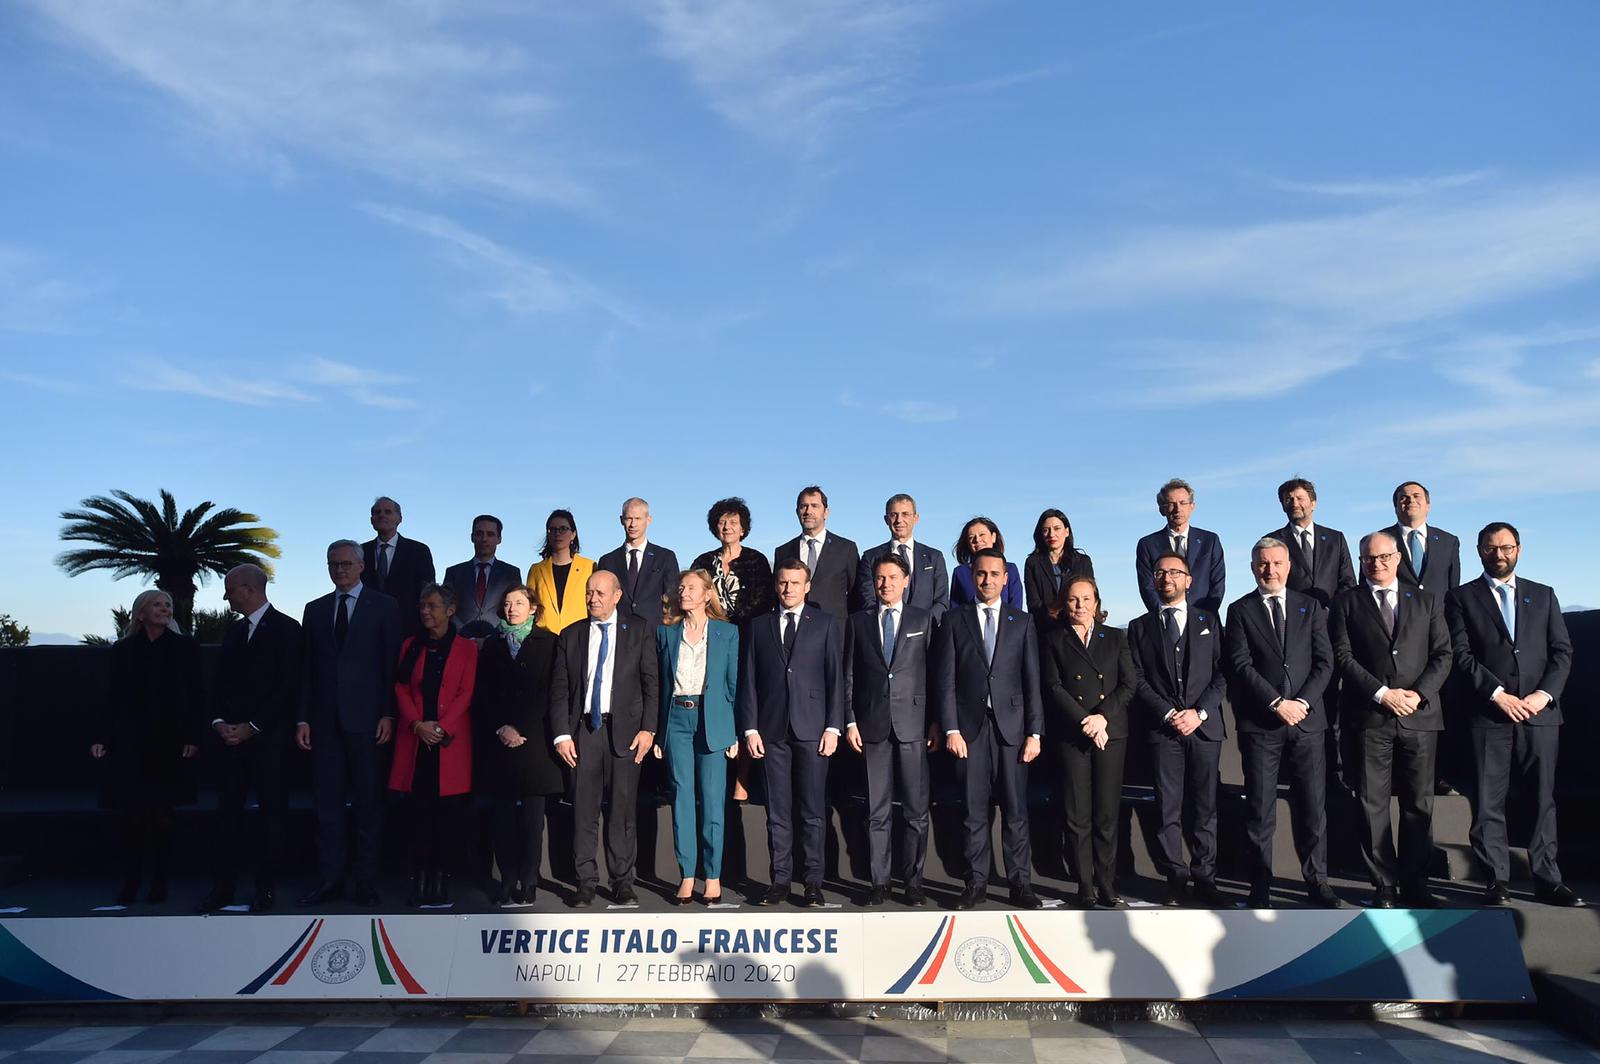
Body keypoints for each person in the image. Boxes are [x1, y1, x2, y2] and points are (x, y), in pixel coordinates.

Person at [1446, 523, 1581, 907]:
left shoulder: (1544, 594)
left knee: (1542, 799)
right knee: (1488, 801)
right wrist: (1498, 695)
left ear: (1519, 549)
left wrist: (1543, 695)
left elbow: (1562, 652)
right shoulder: (1461, 597)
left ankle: (1547, 880)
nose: (1499, 555)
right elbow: (1461, 655)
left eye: (1506, 547)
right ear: (1479, 551)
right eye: (1491, 548)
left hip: (1539, 715)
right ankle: (1496, 880)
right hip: (1488, 714)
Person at [1330, 531, 1452, 908]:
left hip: (1419, 715)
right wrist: (1382, 694)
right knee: (1373, 804)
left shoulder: (1426, 600)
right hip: (1370, 717)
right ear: (1360, 561)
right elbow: (1343, 656)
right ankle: (1383, 884)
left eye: (1384, 557)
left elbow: (1443, 654)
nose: (1376, 564)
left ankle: (1415, 884)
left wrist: (1417, 694)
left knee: (1419, 805)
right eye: (1369, 558)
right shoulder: (1346, 602)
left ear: (1398, 558)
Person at [1224, 538, 1342, 909]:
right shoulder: (1239, 610)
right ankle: (1260, 886)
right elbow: (1240, 664)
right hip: (1262, 724)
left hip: (1308, 722)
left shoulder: (1311, 606)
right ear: (1252, 567)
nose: (1270, 570)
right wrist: (1276, 704)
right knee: (1260, 810)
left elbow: (1325, 662)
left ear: (1289, 566)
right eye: (1263, 563)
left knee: (1312, 808)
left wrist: (1302, 703)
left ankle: (1317, 882)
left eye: (1276, 563)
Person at [1128, 551, 1238, 908]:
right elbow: (1137, 678)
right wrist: (1168, 713)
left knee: (1205, 808)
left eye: (1174, 572)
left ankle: (1206, 879)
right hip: (1164, 731)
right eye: (1160, 572)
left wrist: (1199, 712)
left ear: (1188, 580)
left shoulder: (1210, 620)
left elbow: (1224, 671)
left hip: (1204, 728)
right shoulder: (1139, 627)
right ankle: (1175, 879)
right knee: (1167, 809)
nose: (1167, 578)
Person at [938, 549, 1044, 910]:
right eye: (981, 574)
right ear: (972, 577)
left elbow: (1032, 681)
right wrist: (951, 729)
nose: (987, 580)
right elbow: (945, 680)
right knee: (973, 810)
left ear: (1005, 578)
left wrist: (1034, 733)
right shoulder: (954, 619)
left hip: (1012, 731)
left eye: (994, 574)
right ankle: (976, 883)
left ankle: (1020, 884)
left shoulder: (1022, 621)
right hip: (969, 731)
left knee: (1016, 811)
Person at [297, 539, 400, 908]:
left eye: (345, 563)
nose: (339, 570)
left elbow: (392, 664)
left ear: (361, 566)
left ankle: (365, 881)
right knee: (327, 807)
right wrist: (303, 717)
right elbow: (307, 669)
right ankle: (330, 880)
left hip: (369, 722)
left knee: (369, 805)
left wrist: (389, 713)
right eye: (333, 564)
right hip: (324, 724)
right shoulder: (315, 609)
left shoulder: (385, 606)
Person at [196, 564, 302, 914]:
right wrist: (219, 723)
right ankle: (221, 889)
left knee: (272, 817)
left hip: (270, 744)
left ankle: (265, 889)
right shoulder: (233, 633)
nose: (226, 596)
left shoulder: (288, 629)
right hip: (230, 744)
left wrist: (253, 726)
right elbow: (218, 683)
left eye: (230, 590)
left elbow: (288, 686)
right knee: (226, 817)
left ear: (249, 589)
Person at [549, 570, 659, 907]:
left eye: (599, 592)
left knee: (622, 811)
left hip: (626, 732)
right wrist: (562, 734)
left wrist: (649, 729)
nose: (592, 598)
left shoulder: (639, 630)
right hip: (584, 732)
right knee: (584, 810)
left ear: (617, 595)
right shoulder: (571, 634)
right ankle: (585, 881)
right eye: (589, 592)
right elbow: (560, 688)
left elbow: (651, 682)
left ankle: (622, 881)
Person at [740, 558, 844, 907]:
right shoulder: (759, 626)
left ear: (807, 586)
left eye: (795, 583)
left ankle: (812, 882)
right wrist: (750, 728)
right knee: (777, 813)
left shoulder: (825, 624)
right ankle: (780, 880)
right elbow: (749, 680)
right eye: (783, 582)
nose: (788, 589)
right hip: (771, 732)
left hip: (813, 730)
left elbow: (835, 678)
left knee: (813, 812)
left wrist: (833, 726)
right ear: (776, 585)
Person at [91, 589, 203, 906]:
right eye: (157, 604)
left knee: (163, 813)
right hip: (131, 743)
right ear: (141, 613)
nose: (164, 609)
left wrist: (193, 737)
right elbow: (112, 696)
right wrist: (102, 737)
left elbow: (197, 695)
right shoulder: (123, 650)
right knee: (132, 814)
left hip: (170, 742)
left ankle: (159, 881)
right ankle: (132, 879)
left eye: (168, 604)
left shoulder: (185, 647)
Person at [844, 553, 935, 906]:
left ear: (906, 580)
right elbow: (849, 675)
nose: (886, 584)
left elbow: (936, 674)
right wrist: (850, 720)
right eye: (880, 578)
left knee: (915, 811)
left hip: (914, 726)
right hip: (872, 726)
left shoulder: (923, 619)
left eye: (893, 577)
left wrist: (936, 722)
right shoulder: (858, 621)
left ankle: (913, 882)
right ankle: (879, 882)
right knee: (876, 811)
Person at [1039, 576, 1136, 909]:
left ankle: (1106, 882)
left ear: (1096, 602)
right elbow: (1053, 687)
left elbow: (1128, 684)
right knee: (1076, 814)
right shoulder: (1054, 639)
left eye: (1085, 599)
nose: (1079, 605)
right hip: (1073, 733)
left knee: (1106, 814)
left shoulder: (1115, 637)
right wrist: (1086, 721)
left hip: (1110, 733)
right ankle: (1084, 885)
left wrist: (1102, 718)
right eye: (1072, 599)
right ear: (1064, 604)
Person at [474, 583, 565, 906]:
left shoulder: (550, 642)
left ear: (533, 608)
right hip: (500, 741)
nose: (512, 609)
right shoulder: (492, 644)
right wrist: (502, 727)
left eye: (519, 603)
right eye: (508, 603)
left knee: (531, 819)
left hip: (534, 741)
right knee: (502, 820)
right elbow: (484, 693)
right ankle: (507, 879)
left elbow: (551, 692)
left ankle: (529, 880)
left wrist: (520, 727)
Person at [390, 583, 479, 908]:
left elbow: (465, 693)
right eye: (422, 606)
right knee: (418, 816)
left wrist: (441, 728)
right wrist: (417, 725)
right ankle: (419, 879)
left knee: (447, 818)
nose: (425, 611)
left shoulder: (466, 648)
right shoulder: (410, 645)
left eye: (432, 606)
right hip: (416, 742)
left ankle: (440, 880)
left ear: (450, 611)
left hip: (448, 744)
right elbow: (400, 688)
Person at [656, 570, 740, 905]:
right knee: (681, 797)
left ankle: (713, 876)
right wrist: (658, 732)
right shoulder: (666, 633)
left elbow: (733, 685)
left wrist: (733, 731)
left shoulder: (727, 632)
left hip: (712, 720)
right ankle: (687, 875)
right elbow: (659, 685)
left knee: (712, 799)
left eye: (691, 587)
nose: (684, 592)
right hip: (677, 718)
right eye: (681, 588)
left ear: (707, 594)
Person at [1136, 478, 1225, 616]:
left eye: (1183, 503)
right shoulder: (1147, 545)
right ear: (1162, 509)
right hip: (1164, 621)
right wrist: (1166, 616)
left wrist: (1202, 618)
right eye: (1171, 504)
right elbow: (1147, 587)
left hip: (1205, 620)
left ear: (1192, 506)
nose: (1178, 509)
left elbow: (1217, 584)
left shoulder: (1210, 541)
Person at [774, 485, 861, 622]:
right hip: (793, 627)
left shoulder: (846, 549)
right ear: (797, 512)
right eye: (803, 506)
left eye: (815, 506)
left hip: (836, 628)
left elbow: (856, 595)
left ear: (826, 512)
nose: (808, 511)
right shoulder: (783, 552)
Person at [1268, 478, 1356, 609]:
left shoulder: (1336, 539)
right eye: (1289, 499)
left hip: (1331, 615)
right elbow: (1270, 584)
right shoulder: (1272, 542)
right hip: (1293, 617)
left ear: (1313, 504)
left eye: (1300, 498)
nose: (1295, 503)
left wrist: (1333, 610)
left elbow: (1348, 581)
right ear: (1283, 506)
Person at [690, 497, 773, 629]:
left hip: (749, 630)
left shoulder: (756, 559)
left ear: (742, 529)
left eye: (733, 522)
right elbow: (693, 595)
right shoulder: (703, 561)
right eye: (721, 522)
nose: (727, 527)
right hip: (711, 630)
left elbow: (765, 600)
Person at [362, 496, 436, 638]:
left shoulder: (418, 551)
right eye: (377, 512)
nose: (382, 515)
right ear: (371, 520)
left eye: (388, 512)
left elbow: (427, 591)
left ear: (399, 518)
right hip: (368, 630)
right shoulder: (360, 552)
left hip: (408, 629)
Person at [599, 497, 681, 624]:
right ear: (621, 520)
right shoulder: (607, 561)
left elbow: (672, 599)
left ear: (648, 520)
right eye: (629, 519)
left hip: (654, 630)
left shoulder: (665, 557)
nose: (633, 524)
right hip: (618, 630)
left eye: (638, 519)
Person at [443, 514, 523, 639]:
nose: (484, 539)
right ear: (472, 537)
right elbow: (447, 608)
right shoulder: (454, 573)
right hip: (461, 640)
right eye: (479, 533)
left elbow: (515, 609)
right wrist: (466, 636)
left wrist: (493, 637)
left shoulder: (511, 573)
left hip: (498, 641)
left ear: (499, 539)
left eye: (490, 534)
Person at [1386, 481, 1462, 602]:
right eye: (1404, 498)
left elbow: (1454, 588)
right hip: (1394, 612)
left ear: (1428, 506)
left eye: (1416, 496)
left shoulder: (1448, 541)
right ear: (1395, 507)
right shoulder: (1379, 541)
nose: (1411, 500)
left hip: (1438, 613)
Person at [526, 508, 595, 635]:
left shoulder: (589, 567)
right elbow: (529, 607)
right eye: (552, 529)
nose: (557, 533)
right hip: (544, 638)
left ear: (573, 534)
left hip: (578, 637)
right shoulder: (536, 570)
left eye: (563, 529)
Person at [1022, 508, 1096, 621]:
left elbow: (1090, 596)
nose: (1051, 534)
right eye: (1046, 530)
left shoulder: (1083, 562)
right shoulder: (1033, 563)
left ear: (1067, 532)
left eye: (1057, 528)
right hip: (1045, 625)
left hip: (1077, 623)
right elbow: (1034, 603)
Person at [949, 517, 1024, 608]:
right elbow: (955, 609)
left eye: (982, 535)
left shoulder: (1010, 569)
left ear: (993, 537)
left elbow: (1016, 607)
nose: (977, 540)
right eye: (971, 537)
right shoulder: (960, 572)